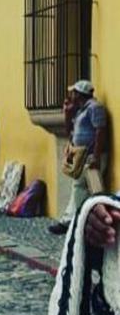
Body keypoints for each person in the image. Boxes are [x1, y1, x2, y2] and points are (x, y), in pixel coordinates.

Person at [49, 79, 109, 236]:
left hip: (91, 155)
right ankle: (73, 220)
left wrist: (95, 156)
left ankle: (72, 221)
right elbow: (69, 130)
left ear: (80, 94)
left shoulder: (95, 108)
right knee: (81, 187)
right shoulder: (80, 110)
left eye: (73, 92)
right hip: (81, 155)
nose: (71, 95)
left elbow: (100, 131)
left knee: (85, 187)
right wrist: (67, 113)